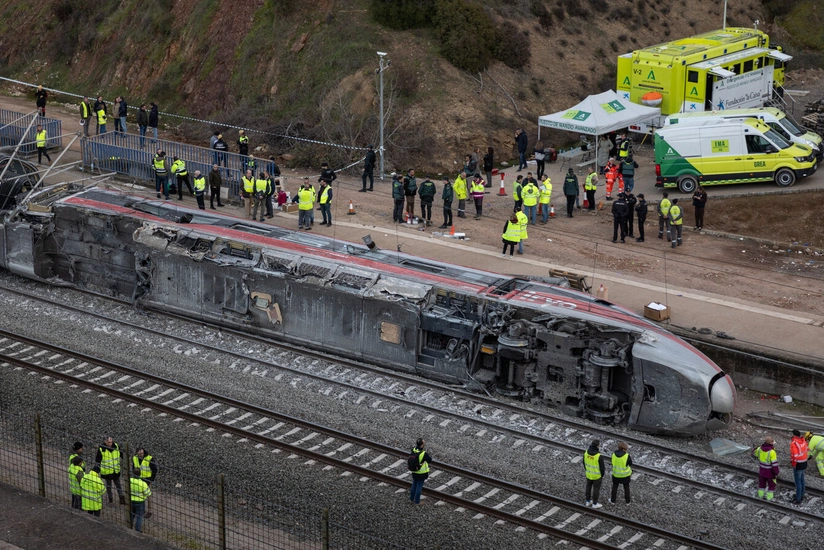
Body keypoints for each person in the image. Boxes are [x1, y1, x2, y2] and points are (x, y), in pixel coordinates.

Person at [96, 436, 125, 505]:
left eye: (111, 442)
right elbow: (98, 460)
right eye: (109, 442)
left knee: (118, 485)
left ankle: (121, 498)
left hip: (115, 471)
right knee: (109, 486)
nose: (110, 444)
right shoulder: (101, 449)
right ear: (105, 442)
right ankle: (110, 499)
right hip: (107, 472)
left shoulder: (116, 446)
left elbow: (122, 455)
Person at [132, 448, 157, 518]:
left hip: (147, 479)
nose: (141, 455)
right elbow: (133, 468)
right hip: (138, 479)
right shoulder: (135, 458)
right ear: (137, 453)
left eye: (142, 453)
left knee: (148, 495)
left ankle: (150, 511)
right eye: (139, 454)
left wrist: (151, 479)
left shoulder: (149, 458)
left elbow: (155, 469)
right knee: (140, 495)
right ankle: (141, 509)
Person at [753, 436, 779, 500]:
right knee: (771, 485)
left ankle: (760, 496)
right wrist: (776, 472)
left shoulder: (759, 449)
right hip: (770, 472)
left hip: (762, 471)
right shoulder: (772, 452)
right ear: (770, 443)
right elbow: (774, 464)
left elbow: (754, 453)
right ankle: (769, 498)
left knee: (761, 484)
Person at [409, 438, 433, 505]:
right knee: (419, 487)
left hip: (414, 471)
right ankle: (417, 501)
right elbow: (429, 460)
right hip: (421, 473)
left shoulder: (413, 450)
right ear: (422, 445)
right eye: (424, 443)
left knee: (414, 484)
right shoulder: (423, 453)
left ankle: (411, 498)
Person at [584, 439, 605, 509]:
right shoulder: (598, 456)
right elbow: (602, 468)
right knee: (596, 489)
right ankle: (595, 503)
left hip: (589, 474)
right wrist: (601, 475)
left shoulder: (586, 453)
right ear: (597, 446)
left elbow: (584, 463)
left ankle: (587, 501)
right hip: (597, 476)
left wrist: (587, 470)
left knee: (588, 487)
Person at [129, 468, 151, 533]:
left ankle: (129, 526)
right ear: (140, 474)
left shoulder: (129, 481)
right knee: (139, 516)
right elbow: (148, 493)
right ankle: (137, 530)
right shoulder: (143, 484)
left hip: (131, 501)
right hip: (140, 502)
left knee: (132, 515)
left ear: (133, 474)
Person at [791, 429, 808, 504]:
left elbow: (795, 456)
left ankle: (798, 499)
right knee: (802, 479)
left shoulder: (794, 443)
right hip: (804, 462)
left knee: (798, 482)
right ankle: (802, 494)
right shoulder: (803, 441)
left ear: (794, 435)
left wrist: (793, 464)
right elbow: (807, 450)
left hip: (798, 464)